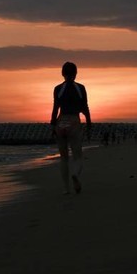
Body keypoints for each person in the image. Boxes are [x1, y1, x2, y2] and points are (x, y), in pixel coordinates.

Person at [50, 61, 92, 194]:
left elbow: (55, 109)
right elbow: (85, 108)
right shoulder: (80, 88)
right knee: (78, 156)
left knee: (63, 158)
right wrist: (89, 123)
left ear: (62, 73)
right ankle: (75, 174)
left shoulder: (57, 88)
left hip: (61, 121)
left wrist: (53, 125)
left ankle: (66, 189)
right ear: (76, 73)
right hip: (74, 121)